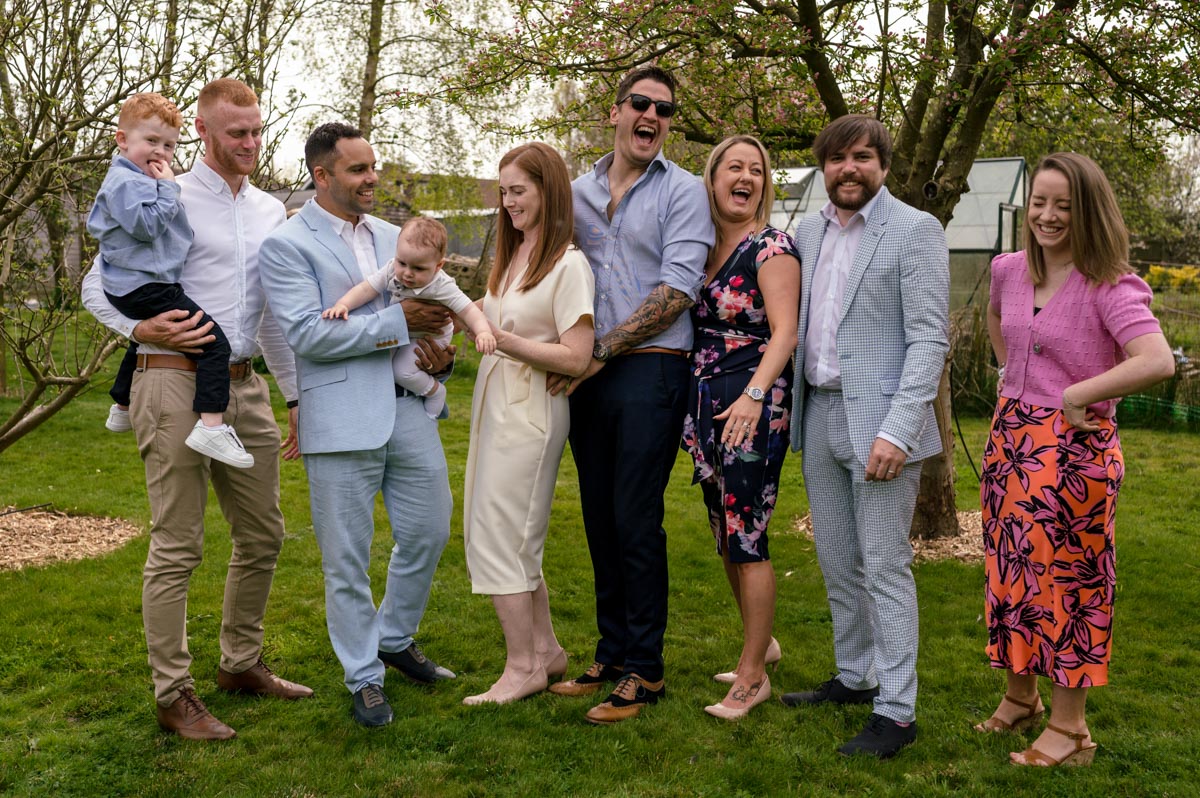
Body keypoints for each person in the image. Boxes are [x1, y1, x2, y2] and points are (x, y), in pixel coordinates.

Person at [81, 78, 313, 741]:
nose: (249, 142)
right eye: (236, 132)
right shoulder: (164, 191)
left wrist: (292, 394)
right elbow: (95, 283)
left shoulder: (272, 211)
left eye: (257, 131)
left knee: (264, 534)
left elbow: (268, 316)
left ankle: (240, 664)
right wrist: (138, 332)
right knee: (179, 545)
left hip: (244, 387)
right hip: (171, 380)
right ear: (205, 134)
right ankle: (172, 692)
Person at [976, 152, 1174, 766]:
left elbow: (1156, 359)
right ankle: (1020, 698)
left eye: (1063, 205)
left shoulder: (1110, 283)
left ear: (1087, 210)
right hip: (1012, 440)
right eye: (1039, 201)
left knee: (1068, 584)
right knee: (1012, 574)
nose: (1047, 215)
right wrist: (1015, 377)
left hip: (1074, 450)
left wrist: (1078, 391)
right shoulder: (1008, 270)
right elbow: (996, 322)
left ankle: (1070, 730)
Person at [258, 122, 456, 729]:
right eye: (357, 170)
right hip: (339, 417)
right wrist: (399, 322)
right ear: (322, 176)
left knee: (429, 532)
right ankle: (363, 675)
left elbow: (438, 309)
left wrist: (445, 355)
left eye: (373, 166)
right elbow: (309, 335)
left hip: (408, 408)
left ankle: (393, 638)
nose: (372, 178)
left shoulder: (401, 236)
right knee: (346, 559)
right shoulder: (287, 244)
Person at [548, 65, 715, 725]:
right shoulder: (576, 190)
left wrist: (601, 352)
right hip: (589, 371)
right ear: (615, 112)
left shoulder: (685, 191)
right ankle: (610, 655)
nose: (652, 117)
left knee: (635, 518)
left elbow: (678, 289)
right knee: (597, 515)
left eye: (665, 111)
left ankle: (646, 670)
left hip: (652, 366)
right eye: (641, 104)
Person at [782, 114, 949, 759]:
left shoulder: (916, 230)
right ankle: (855, 677)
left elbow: (929, 340)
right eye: (835, 159)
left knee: (884, 569)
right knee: (836, 561)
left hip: (881, 424)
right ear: (823, 167)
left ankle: (897, 711)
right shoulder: (808, 229)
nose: (847, 169)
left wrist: (899, 432)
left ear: (882, 165)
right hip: (818, 412)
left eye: (861, 158)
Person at [460, 142, 595, 705]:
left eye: (520, 190)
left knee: (503, 536)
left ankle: (521, 668)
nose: (509, 200)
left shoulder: (568, 264)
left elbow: (577, 355)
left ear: (549, 191)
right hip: (494, 408)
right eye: (504, 189)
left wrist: (504, 341)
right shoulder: (512, 256)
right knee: (502, 532)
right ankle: (546, 651)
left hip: (532, 411)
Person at [680, 135, 799, 720]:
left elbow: (785, 332)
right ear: (714, 176)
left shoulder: (771, 246)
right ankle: (763, 644)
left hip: (753, 408)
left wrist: (754, 396)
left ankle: (753, 678)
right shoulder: (701, 246)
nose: (745, 176)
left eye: (756, 169)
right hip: (706, 410)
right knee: (724, 529)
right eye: (735, 166)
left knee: (747, 534)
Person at [88, 92, 251, 469]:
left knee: (153, 335)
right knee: (213, 344)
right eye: (151, 142)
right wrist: (169, 188)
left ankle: (121, 404)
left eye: (169, 145)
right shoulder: (133, 183)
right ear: (122, 140)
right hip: (146, 286)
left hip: (138, 286)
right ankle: (211, 424)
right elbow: (147, 227)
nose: (160, 152)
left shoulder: (135, 178)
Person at [321, 216, 496, 419]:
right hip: (400, 331)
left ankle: (435, 391)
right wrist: (343, 304)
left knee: (401, 371)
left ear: (438, 266)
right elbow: (366, 289)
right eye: (401, 263)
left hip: (429, 336)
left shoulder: (442, 286)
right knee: (377, 360)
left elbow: (468, 310)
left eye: (418, 268)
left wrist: (483, 331)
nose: (407, 273)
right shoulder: (391, 270)